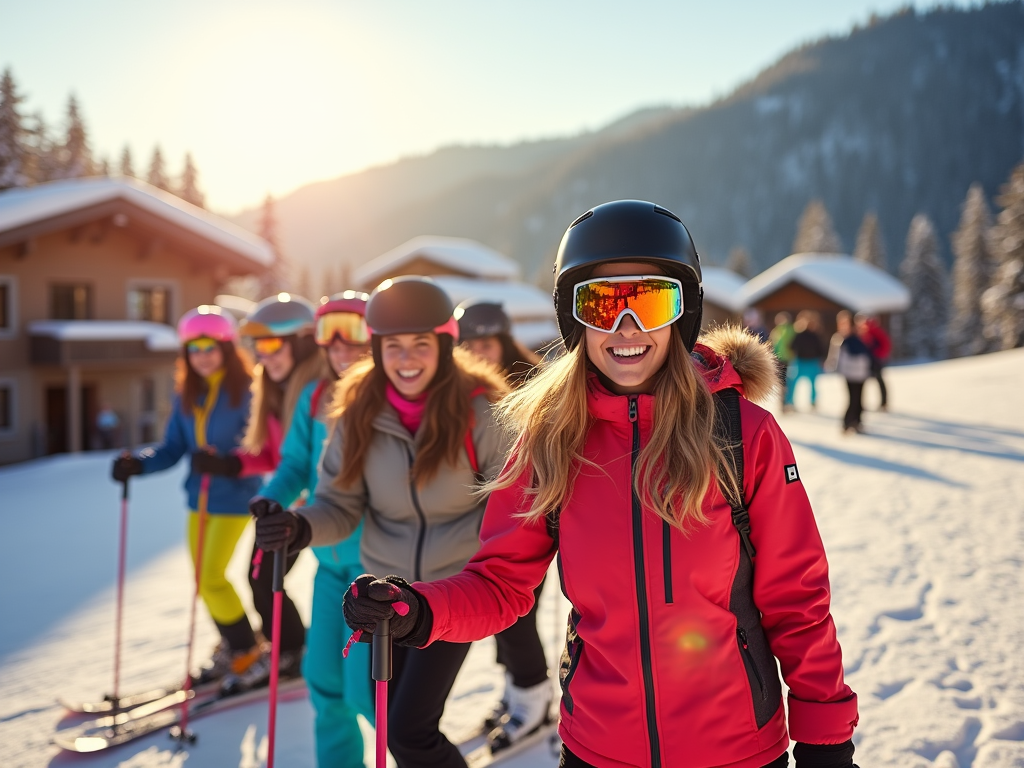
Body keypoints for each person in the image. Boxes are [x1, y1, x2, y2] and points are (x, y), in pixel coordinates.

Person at [342, 201, 860, 768]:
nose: (627, 326)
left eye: (651, 300)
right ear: (575, 319)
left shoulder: (741, 435)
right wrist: (419, 610)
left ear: (682, 313)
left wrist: (824, 738)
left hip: (735, 750)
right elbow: (500, 584)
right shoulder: (551, 441)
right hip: (599, 749)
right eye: (602, 303)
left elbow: (797, 601)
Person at [251, 276, 510, 768]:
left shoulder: (481, 409)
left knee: (409, 728)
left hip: (451, 591)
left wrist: (491, 572)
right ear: (378, 348)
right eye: (393, 346)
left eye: (420, 344)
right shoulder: (355, 412)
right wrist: (300, 527)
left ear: (444, 345)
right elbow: (339, 503)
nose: (406, 359)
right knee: (384, 718)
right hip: (382, 595)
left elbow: (510, 503)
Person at [111, 306, 263, 683]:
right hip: (199, 498)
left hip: (233, 497)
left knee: (212, 577)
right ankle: (235, 642)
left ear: (227, 348)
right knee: (203, 579)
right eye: (193, 349)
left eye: (210, 346)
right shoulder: (186, 396)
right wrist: (138, 463)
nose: (202, 356)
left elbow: (264, 448)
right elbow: (171, 449)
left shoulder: (248, 391)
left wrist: (228, 463)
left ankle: (246, 649)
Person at [256, 290, 374, 768]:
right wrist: (273, 499)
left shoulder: (387, 397)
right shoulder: (313, 398)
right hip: (329, 564)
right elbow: (296, 463)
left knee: (366, 691)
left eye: (354, 332)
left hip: (378, 568)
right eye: (330, 333)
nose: (342, 346)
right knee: (323, 680)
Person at [192, 292, 325, 693]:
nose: (261, 356)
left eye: (270, 344)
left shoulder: (321, 391)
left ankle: (292, 651)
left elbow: (314, 460)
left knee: (266, 576)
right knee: (262, 576)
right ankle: (288, 647)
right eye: (256, 347)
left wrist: (303, 496)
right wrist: (232, 464)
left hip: (320, 507)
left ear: (300, 343)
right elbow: (272, 454)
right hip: (290, 504)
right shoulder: (271, 391)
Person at [455, 299, 551, 747]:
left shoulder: (528, 386)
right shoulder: (462, 391)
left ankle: (534, 697)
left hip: (529, 519)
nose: (479, 353)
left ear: (505, 342)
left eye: (487, 343)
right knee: (500, 616)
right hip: (483, 521)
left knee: (519, 615)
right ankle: (517, 690)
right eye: (469, 344)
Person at [826, 310, 872, 434]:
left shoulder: (860, 336)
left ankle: (857, 422)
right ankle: (847, 424)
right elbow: (835, 357)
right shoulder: (840, 338)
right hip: (849, 373)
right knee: (852, 398)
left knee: (859, 399)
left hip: (861, 372)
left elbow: (867, 352)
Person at [786, 311, 826, 411]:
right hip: (800, 362)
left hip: (812, 362)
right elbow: (791, 346)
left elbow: (821, 349)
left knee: (813, 384)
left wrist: (821, 360)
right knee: (793, 383)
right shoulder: (799, 335)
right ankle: (790, 402)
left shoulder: (815, 335)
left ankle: (812, 401)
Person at [855, 312, 890, 411]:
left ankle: (883, 403)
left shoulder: (874, 331)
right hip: (866, 361)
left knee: (878, 381)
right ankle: (861, 404)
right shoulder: (863, 332)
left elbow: (885, 345)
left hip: (875, 361)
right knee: (862, 383)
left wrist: (877, 354)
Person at [769, 311, 795, 412]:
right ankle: (782, 403)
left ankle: (788, 402)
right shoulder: (776, 331)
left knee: (788, 381)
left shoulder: (790, 330)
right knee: (782, 381)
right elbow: (772, 344)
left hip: (788, 358)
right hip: (778, 358)